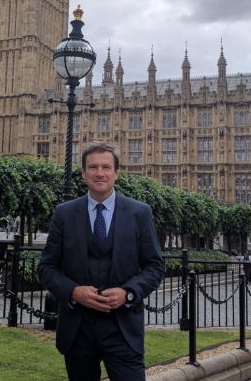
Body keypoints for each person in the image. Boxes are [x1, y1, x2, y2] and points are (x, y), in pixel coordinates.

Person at [38, 142, 165, 381]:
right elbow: (46, 267)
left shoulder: (139, 212)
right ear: (84, 172)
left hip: (122, 328)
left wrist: (128, 293)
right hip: (78, 329)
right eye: (93, 167)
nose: (99, 172)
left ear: (116, 172)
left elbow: (155, 267)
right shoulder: (64, 213)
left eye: (106, 167)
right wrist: (74, 292)